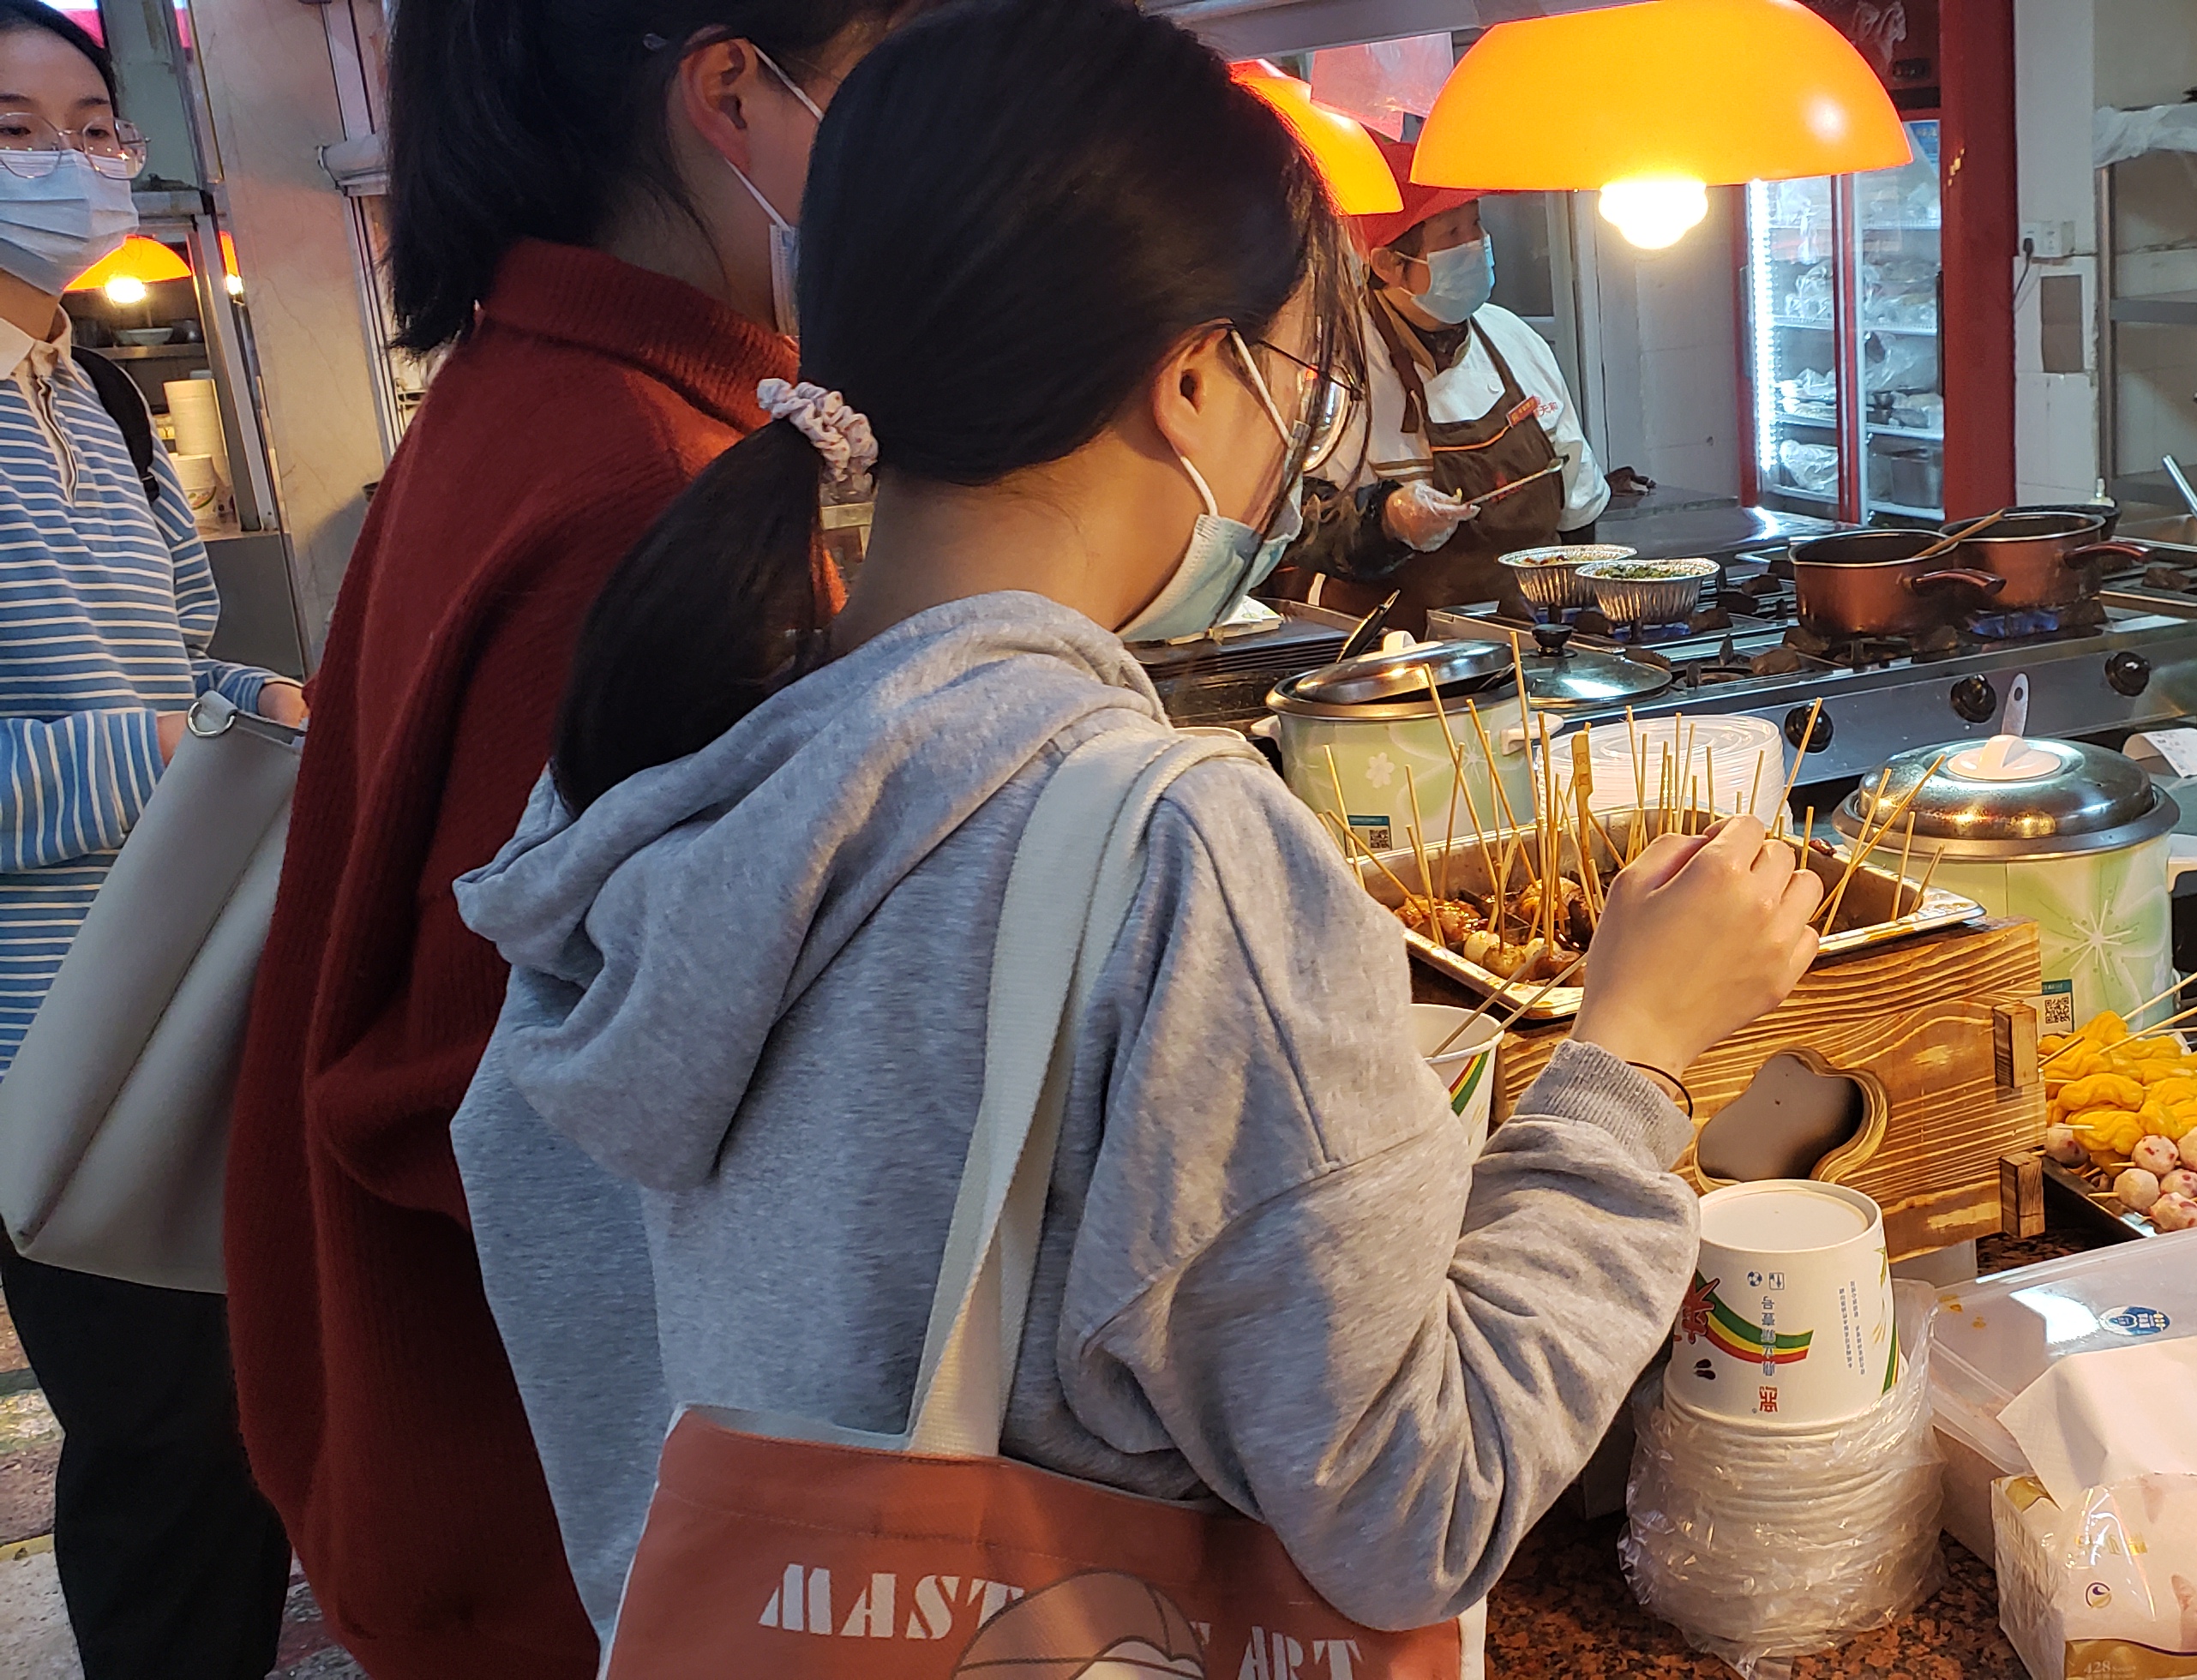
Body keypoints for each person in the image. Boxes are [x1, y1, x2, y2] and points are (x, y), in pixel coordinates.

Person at [447, 0, 1822, 1634]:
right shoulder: (1173, 854)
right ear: (1188, 380)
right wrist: (1632, 1057)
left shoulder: (653, 762)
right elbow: (1416, 1506)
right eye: (1296, 366)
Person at [219, 1, 929, 1671]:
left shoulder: (547, 398)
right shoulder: (637, 486)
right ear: (730, 92)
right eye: (883, 77)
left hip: (490, 1476)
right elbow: (555, 1105)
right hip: (576, 1533)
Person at [0, 7, 300, 1674]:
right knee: (175, 1443)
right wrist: (180, 747)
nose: (70, 161)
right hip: (24, 1031)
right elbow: (164, 723)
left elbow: (185, 652)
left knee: (206, 1435)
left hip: (144, 1011)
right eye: (12, 126)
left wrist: (279, 703)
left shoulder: (100, 394)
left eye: (93, 122)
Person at [1278, 141, 1607, 630]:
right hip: (1382, 656)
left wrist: (1588, 618)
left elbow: (1577, 507)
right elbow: (1294, 524)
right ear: (1390, 265)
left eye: (1476, 223)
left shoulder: (1514, 339)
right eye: (1452, 232)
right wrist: (1387, 521)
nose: (1475, 243)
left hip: (1520, 638)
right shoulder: (1329, 359)